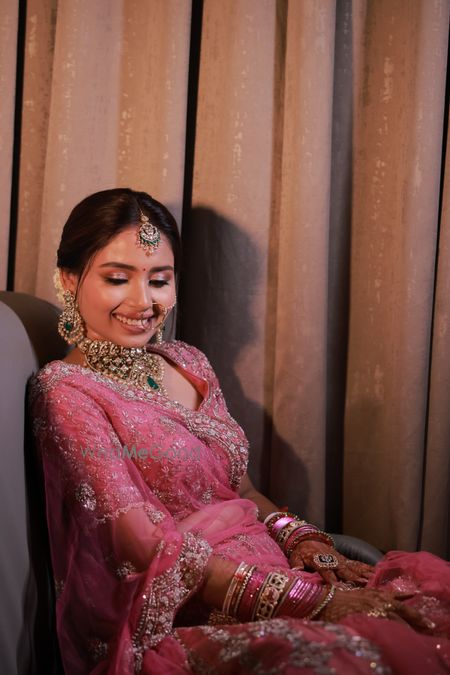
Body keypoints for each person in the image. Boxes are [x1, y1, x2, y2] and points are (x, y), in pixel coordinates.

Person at [29, 188, 450, 674]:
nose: (144, 302)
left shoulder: (187, 362)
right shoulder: (67, 394)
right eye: (118, 278)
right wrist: (309, 602)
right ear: (69, 279)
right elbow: (143, 548)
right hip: (185, 612)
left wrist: (301, 539)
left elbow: (242, 490)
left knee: (426, 614)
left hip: (277, 574)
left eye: (160, 280)